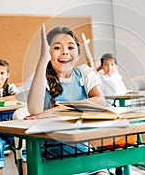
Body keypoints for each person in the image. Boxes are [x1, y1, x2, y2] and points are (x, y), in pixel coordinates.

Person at [25, 24, 108, 175]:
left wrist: (61, 109)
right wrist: (43, 61)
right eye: (57, 47)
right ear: (48, 52)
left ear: (77, 53)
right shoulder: (40, 77)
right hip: (52, 156)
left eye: (70, 47)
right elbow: (34, 110)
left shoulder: (84, 73)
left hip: (84, 151)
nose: (65, 52)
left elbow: (100, 101)